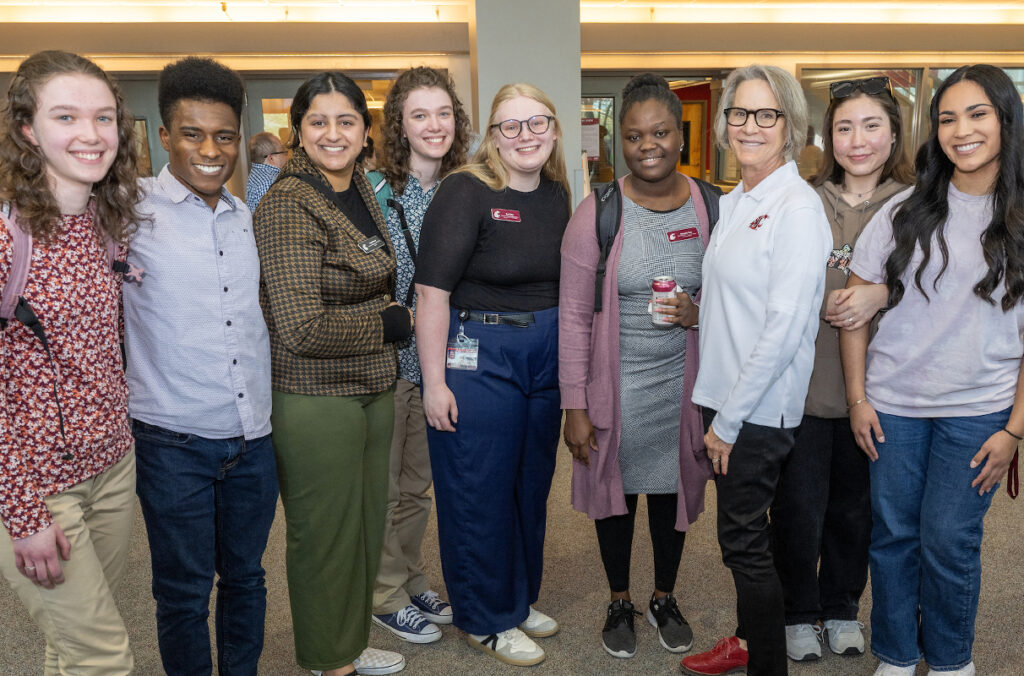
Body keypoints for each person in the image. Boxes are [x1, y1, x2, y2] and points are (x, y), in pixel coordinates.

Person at [841, 64, 1024, 676]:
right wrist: (858, 398)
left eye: (977, 114)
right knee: (893, 535)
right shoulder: (904, 209)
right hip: (892, 406)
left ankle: (950, 662)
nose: (960, 130)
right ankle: (896, 655)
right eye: (947, 118)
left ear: (1006, 121)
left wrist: (1015, 430)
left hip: (979, 412)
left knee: (948, 541)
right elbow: (855, 308)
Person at [122, 57, 279, 676]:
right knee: (183, 593)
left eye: (224, 136)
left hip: (252, 438)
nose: (211, 151)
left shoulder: (246, 218)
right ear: (165, 136)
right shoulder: (129, 213)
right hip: (172, 441)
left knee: (246, 578)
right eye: (193, 134)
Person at [253, 71, 411, 676]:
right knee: (325, 537)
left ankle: (347, 640)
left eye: (346, 120)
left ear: (365, 131)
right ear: (297, 130)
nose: (333, 133)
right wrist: (389, 323)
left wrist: (378, 320)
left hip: (372, 388)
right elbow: (301, 327)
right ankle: (329, 661)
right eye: (317, 121)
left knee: (364, 529)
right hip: (315, 398)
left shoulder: (358, 188)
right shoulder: (288, 203)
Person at [559, 73, 716, 660]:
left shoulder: (711, 206)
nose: (648, 145)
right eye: (633, 135)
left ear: (681, 136)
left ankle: (663, 597)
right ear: (619, 141)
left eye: (660, 132)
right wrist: (575, 406)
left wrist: (700, 314)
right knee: (616, 493)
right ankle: (620, 599)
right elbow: (573, 317)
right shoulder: (598, 212)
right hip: (616, 385)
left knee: (674, 491)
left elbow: (736, 299)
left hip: (684, 384)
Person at [681, 65, 830, 676]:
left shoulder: (797, 208)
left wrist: (729, 422)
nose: (749, 126)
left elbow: (785, 327)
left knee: (743, 545)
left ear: (790, 126)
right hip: (725, 397)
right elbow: (737, 304)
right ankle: (746, 641)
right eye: (739, 113)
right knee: (749, 540)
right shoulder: (736, 199)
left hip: (756, 410)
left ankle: (766, 664)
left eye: (766, 114)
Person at [414, 83, 570, 667]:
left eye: (537, 122)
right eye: (510, 125)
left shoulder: (556, 193)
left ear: (554, 129)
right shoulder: (466, 190)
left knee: (529, 486)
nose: (525, 135)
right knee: (479, 490)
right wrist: (434, 383)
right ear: (493, 137)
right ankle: (484, 617)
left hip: (545, 359)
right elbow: (431, 294)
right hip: (479, 356)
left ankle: (516, 600)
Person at [0, 49, 144, 674]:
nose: (91, 134)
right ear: (27, 129)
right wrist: (22, 513)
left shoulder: (105, 223)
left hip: (112, 467)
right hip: (34, 484)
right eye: (66, 117)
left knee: (72, 646)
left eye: (103, 117)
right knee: (104, 658)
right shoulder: (6, 235)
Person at [769, 75, 914, 663]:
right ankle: (797, 612)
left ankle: (840, 607)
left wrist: (881, 293)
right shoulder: (804, 199)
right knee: (797, 509)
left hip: (881, 391)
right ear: (828, 137)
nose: (858, 140)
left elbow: (943, 289)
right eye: (845, 128)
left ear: (894, 133)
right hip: (804, 386)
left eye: (872, 126)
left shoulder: (918, 205)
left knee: (856, 512)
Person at [367, 66, 470, 644]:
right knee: (383, 489)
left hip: (440, 364)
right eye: (420, 115)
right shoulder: (373, 192)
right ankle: (384, 593)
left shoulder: (465, 188)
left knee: (417, 488)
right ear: (399, 126)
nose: (435, 125)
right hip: (385, 363)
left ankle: (410, 577)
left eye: (444, 113)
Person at [245, 131, 287, 211]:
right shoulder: (270, 183)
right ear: (271, 158)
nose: (286, 155)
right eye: (283, 152)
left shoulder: (256, 172)